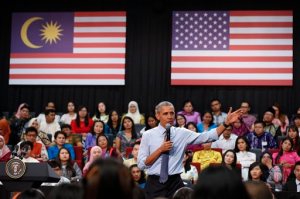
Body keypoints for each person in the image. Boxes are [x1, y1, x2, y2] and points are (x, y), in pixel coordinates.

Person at [137, 101, 242, 199]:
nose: (169, 116)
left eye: (172, 113)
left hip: (175, 182)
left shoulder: (182, 133)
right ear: (157, 115)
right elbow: (142, 164)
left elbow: (208, 136)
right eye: (165, 114)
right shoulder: (148, 135)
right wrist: (160, 149)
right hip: (154, 183)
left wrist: (226, 123)